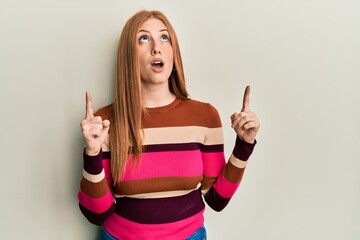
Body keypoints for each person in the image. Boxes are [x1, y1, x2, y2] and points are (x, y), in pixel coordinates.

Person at [78, 10, 260, 240]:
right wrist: (92, 153)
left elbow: (216, 199)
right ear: (128, 55)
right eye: (143, 38)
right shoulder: (104, 122)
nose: (157, 46)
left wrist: (244, 145)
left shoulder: (204, 117)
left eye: (164, 37)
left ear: (173, 52)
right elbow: (97, 213)